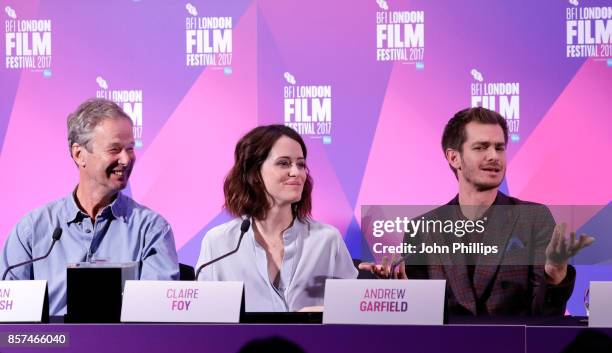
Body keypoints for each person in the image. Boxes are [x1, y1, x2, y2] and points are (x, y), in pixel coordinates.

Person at [360, 107, 594, 315]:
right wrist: (399, 292)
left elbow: (545, 322)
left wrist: (554, 277)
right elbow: (421, 318)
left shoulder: (534, 219)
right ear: (454, 157)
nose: (494, 156)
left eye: (499, 148)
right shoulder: (423, 228)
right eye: (481, 147)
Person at [0, 98, 179, 315]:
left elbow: (157, 316)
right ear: (79, 154)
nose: (126, 159)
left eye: (130, 148)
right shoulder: (32, 230)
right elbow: (8, 315)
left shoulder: (151, 230)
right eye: (115, 149)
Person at [196, 125, 357, 312]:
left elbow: (352, 311)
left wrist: (327, 311)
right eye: (284, 163)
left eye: (301, 164)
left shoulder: (327, 239)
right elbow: (204, 316)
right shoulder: (219, 242)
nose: (296, 172)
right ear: (255, 173)